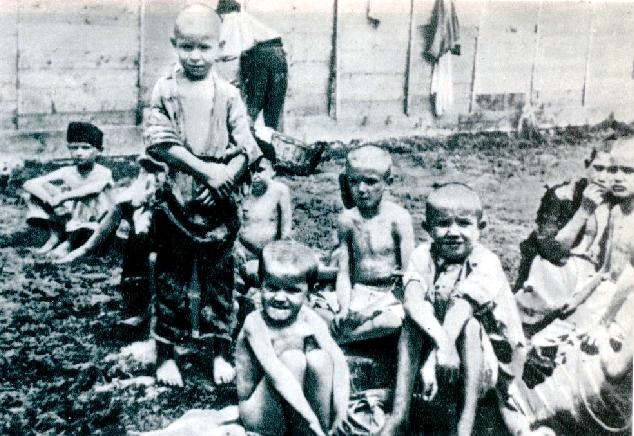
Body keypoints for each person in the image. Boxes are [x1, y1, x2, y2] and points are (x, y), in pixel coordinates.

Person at [143, 3, 261, 387]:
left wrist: (225, 176)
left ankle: (220, 351)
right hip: (177, 198)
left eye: (204, 48)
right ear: (174, 44)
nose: (196, 57)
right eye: (187, 47)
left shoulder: (228, 93)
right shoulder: (165, 89)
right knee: (172, 278)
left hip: (218, 205)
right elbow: (160, 142)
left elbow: (247, 146)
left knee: (220, 280)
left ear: (220, 47)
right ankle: (167, 352)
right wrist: (205, 171)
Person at [381, 183, 550, 436]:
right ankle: (399, 415)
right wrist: (442, 346)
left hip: (492, 357)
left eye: (463, 223)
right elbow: (413, 301)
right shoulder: (422, 256)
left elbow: (461, 308)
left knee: (469, 327)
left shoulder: (486, 262)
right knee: (411, 324)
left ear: (481, 228)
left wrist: (433, 359)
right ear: (427, 228)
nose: (453, 232)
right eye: (443, 223)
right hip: (445, 347)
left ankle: (465, 425)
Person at [235, 240, 350, 436]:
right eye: (272, 288)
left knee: (321, 359)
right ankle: (309, 429)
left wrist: (341, 412)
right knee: (293, 360)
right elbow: (277, 375)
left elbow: (339, 361)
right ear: (260, 284)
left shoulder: (309, 317)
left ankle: (319, 432)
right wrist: (310, 419)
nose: (280, 298)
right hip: (259, 413)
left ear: (309, 291)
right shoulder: (255, 323)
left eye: (292, 290)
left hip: (296, 408)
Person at [56, 155, 168, 336]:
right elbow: (103, 230)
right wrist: (80, 251)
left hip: (172, 259)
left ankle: (160, 312)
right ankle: (142, 310)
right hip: (140, 261)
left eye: (158, 173)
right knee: (143, 253)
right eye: (149, 172)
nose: (154, 180)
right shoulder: (130, 202)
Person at [313, 145, 414, 344]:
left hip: (387, 296)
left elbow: (407, 276)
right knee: (313, 308)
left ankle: (344, 338)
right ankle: (351, 333)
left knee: (391, 322)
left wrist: (369, 312)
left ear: (388, 182)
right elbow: (343, 273)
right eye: (354, 181)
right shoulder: (347, 220)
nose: (361, 190)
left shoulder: (398, 219)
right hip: (357, 292)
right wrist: (343, 308)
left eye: (370, 182)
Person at [514, 145, 614, 335]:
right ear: (587, 165)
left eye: (611, 170)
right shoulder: (563, 195)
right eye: (598, 168)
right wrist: (584, 211)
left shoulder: (621, 201)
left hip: (594, 276)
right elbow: (551, 250)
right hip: (557, 270)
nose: (603, 177)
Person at [22, 121, 114, 258]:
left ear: (99, 151)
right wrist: (50, 200)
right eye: (74, 148)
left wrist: (62, 197)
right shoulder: (67, 171)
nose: (79, 153)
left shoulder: (103, 172)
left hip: (98, 218)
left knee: (88, 197)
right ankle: (56, 235)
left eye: (85, 148)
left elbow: (92, 190)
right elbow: (29, 184)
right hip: (74, 215)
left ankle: (70, 243)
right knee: (31, 194)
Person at [216, 0, 288, 130]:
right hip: (278, 54)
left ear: (222, 12)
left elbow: (231, 51)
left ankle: (244, 143)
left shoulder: (230, 18)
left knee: (250, 110)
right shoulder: (247, 18)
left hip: (260, 56)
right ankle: (275, 144)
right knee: (274, 108)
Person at [235, 153, 292, 294]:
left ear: (273, 171)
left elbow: (286, 231)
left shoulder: (279, 191)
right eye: (250, 170)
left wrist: (277, 257)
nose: (255, 175)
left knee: (259, 274)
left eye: (260, 170)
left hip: (270, 255)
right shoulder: (241, 189)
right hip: (242, 254)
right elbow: (233, 225)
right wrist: (236, 247)